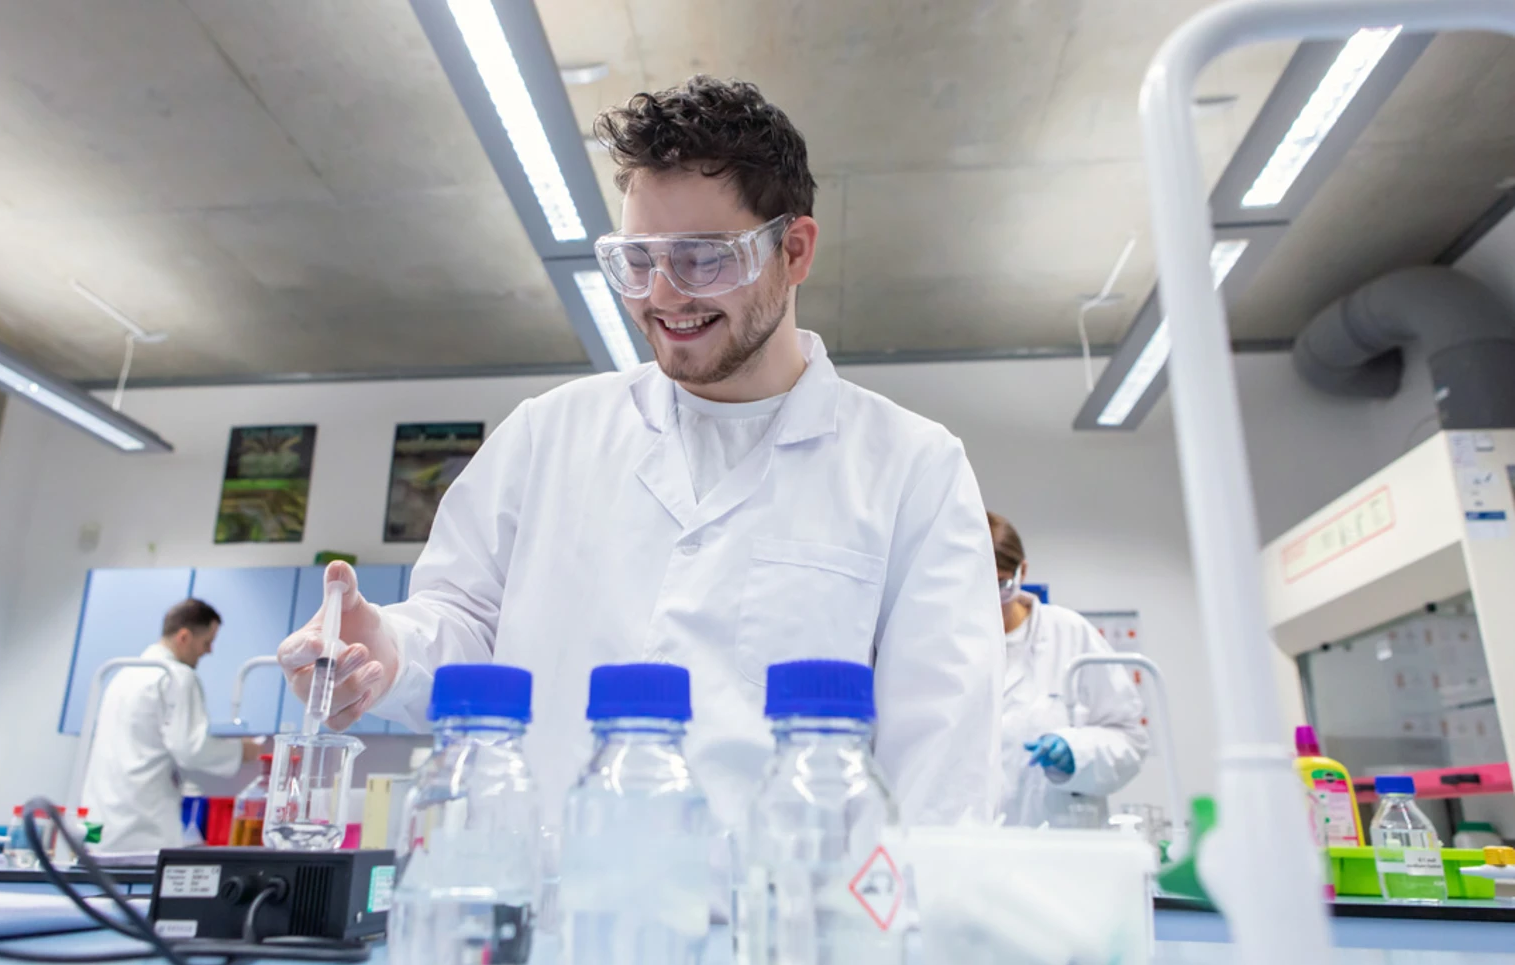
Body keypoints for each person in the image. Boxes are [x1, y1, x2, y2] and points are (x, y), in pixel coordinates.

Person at [278, 76, 1004, 831]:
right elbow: (463, 619)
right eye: (637, 259)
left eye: (702, 258)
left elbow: (942, 770)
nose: (662, 295)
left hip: (779, 934)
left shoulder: (912, 469)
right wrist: (388, 649)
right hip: (545, 918)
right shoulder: (546, 435)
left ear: (793, 250)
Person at [989, 511, 1149, 827]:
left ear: (1023, 572)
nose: (992, 601)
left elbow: (1131, 740)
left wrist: (1079, 751)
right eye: (978, 587)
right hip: (972, 846)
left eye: (1001, 585)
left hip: (1060, 844)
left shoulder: (1071, 633)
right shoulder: (948, 645)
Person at [83, 599, 260, 852]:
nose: (209, 651)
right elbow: (191, 749)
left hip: (98, 826)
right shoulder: (177, 676)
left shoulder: (122, 674)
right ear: (184, 637)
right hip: (143, 830)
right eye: (207, 642)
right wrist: (245, 751)